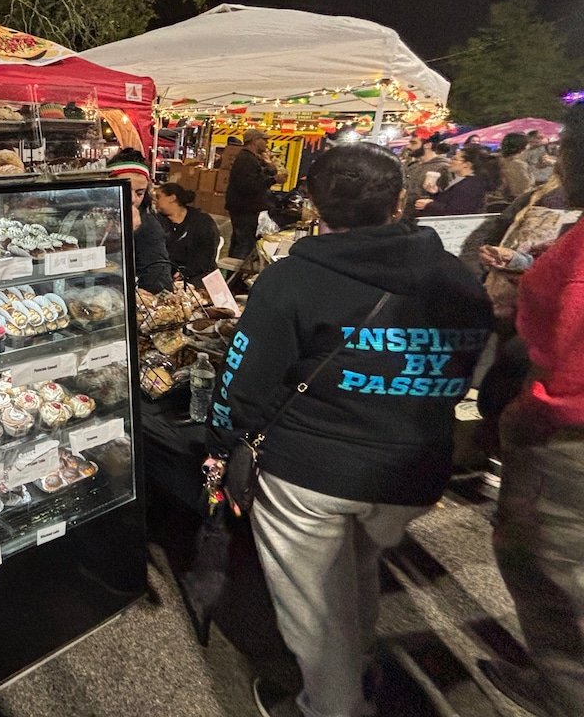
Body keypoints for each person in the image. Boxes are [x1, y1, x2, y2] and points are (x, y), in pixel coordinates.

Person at [206, 142, 494, 717]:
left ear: (313, 202)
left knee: (314, 607)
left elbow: (244, 381)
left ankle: (331, 705)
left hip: (311, 473)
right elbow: (473, 362)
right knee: (358, 571)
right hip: (412, 469)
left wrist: (221, 445)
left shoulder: (293, 278)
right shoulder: (457, 276)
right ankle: (356, 663)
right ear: (401, 202)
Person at [478, 104, 584, 717]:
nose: (555, 159)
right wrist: (531, 264)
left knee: (552, 574)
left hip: (566, 437)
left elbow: (559, 352)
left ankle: (565, 688)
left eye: (565, 148)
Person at [107, 149, 173, 293]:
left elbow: (158, 281)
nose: (132, 199)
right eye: (124, 189)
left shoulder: (149, 227)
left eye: (139, 193)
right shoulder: (93, 215)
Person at [225, 128, 284, 258]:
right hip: (245, 209)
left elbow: (271, 171)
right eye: (264, 140)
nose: (267, 143)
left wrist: (268, 162)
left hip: (245, 208)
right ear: (255, 141)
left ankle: (232, 274)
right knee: (244, 244)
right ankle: (235, 276)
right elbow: (248, 185)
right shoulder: (246, 160)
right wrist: (273, 180)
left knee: (240, 242)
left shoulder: (252, 159)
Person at [154, 182, 222, 285]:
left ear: (172, 198)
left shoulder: (202, 221)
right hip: (166, 277)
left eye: (158, 197)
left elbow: (207, 253)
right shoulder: (155, 221)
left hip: (199, 276)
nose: (155, 201)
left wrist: (186, 272)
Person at [414, 145, 498, 216]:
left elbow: (457, 211)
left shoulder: (470, 185)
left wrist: (429, 205)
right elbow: (451, 200)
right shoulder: (461, 180)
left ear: (467, 164)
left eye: (455, 159)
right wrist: (435, 193)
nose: (450, 161)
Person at [402, 136, 451, 218]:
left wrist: (431, 202)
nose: (408, 146)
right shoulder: (412, 165)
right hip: (405, 214)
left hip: (422, 217)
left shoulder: (443, 167)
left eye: (413, 143)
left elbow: (447, 195)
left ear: (427, 145)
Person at [493, 132, 535, 209]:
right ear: (523, 146)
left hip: (498, 203)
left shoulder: (496, 161)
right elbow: (521, 190)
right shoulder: (517, 165)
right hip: (513, 206)